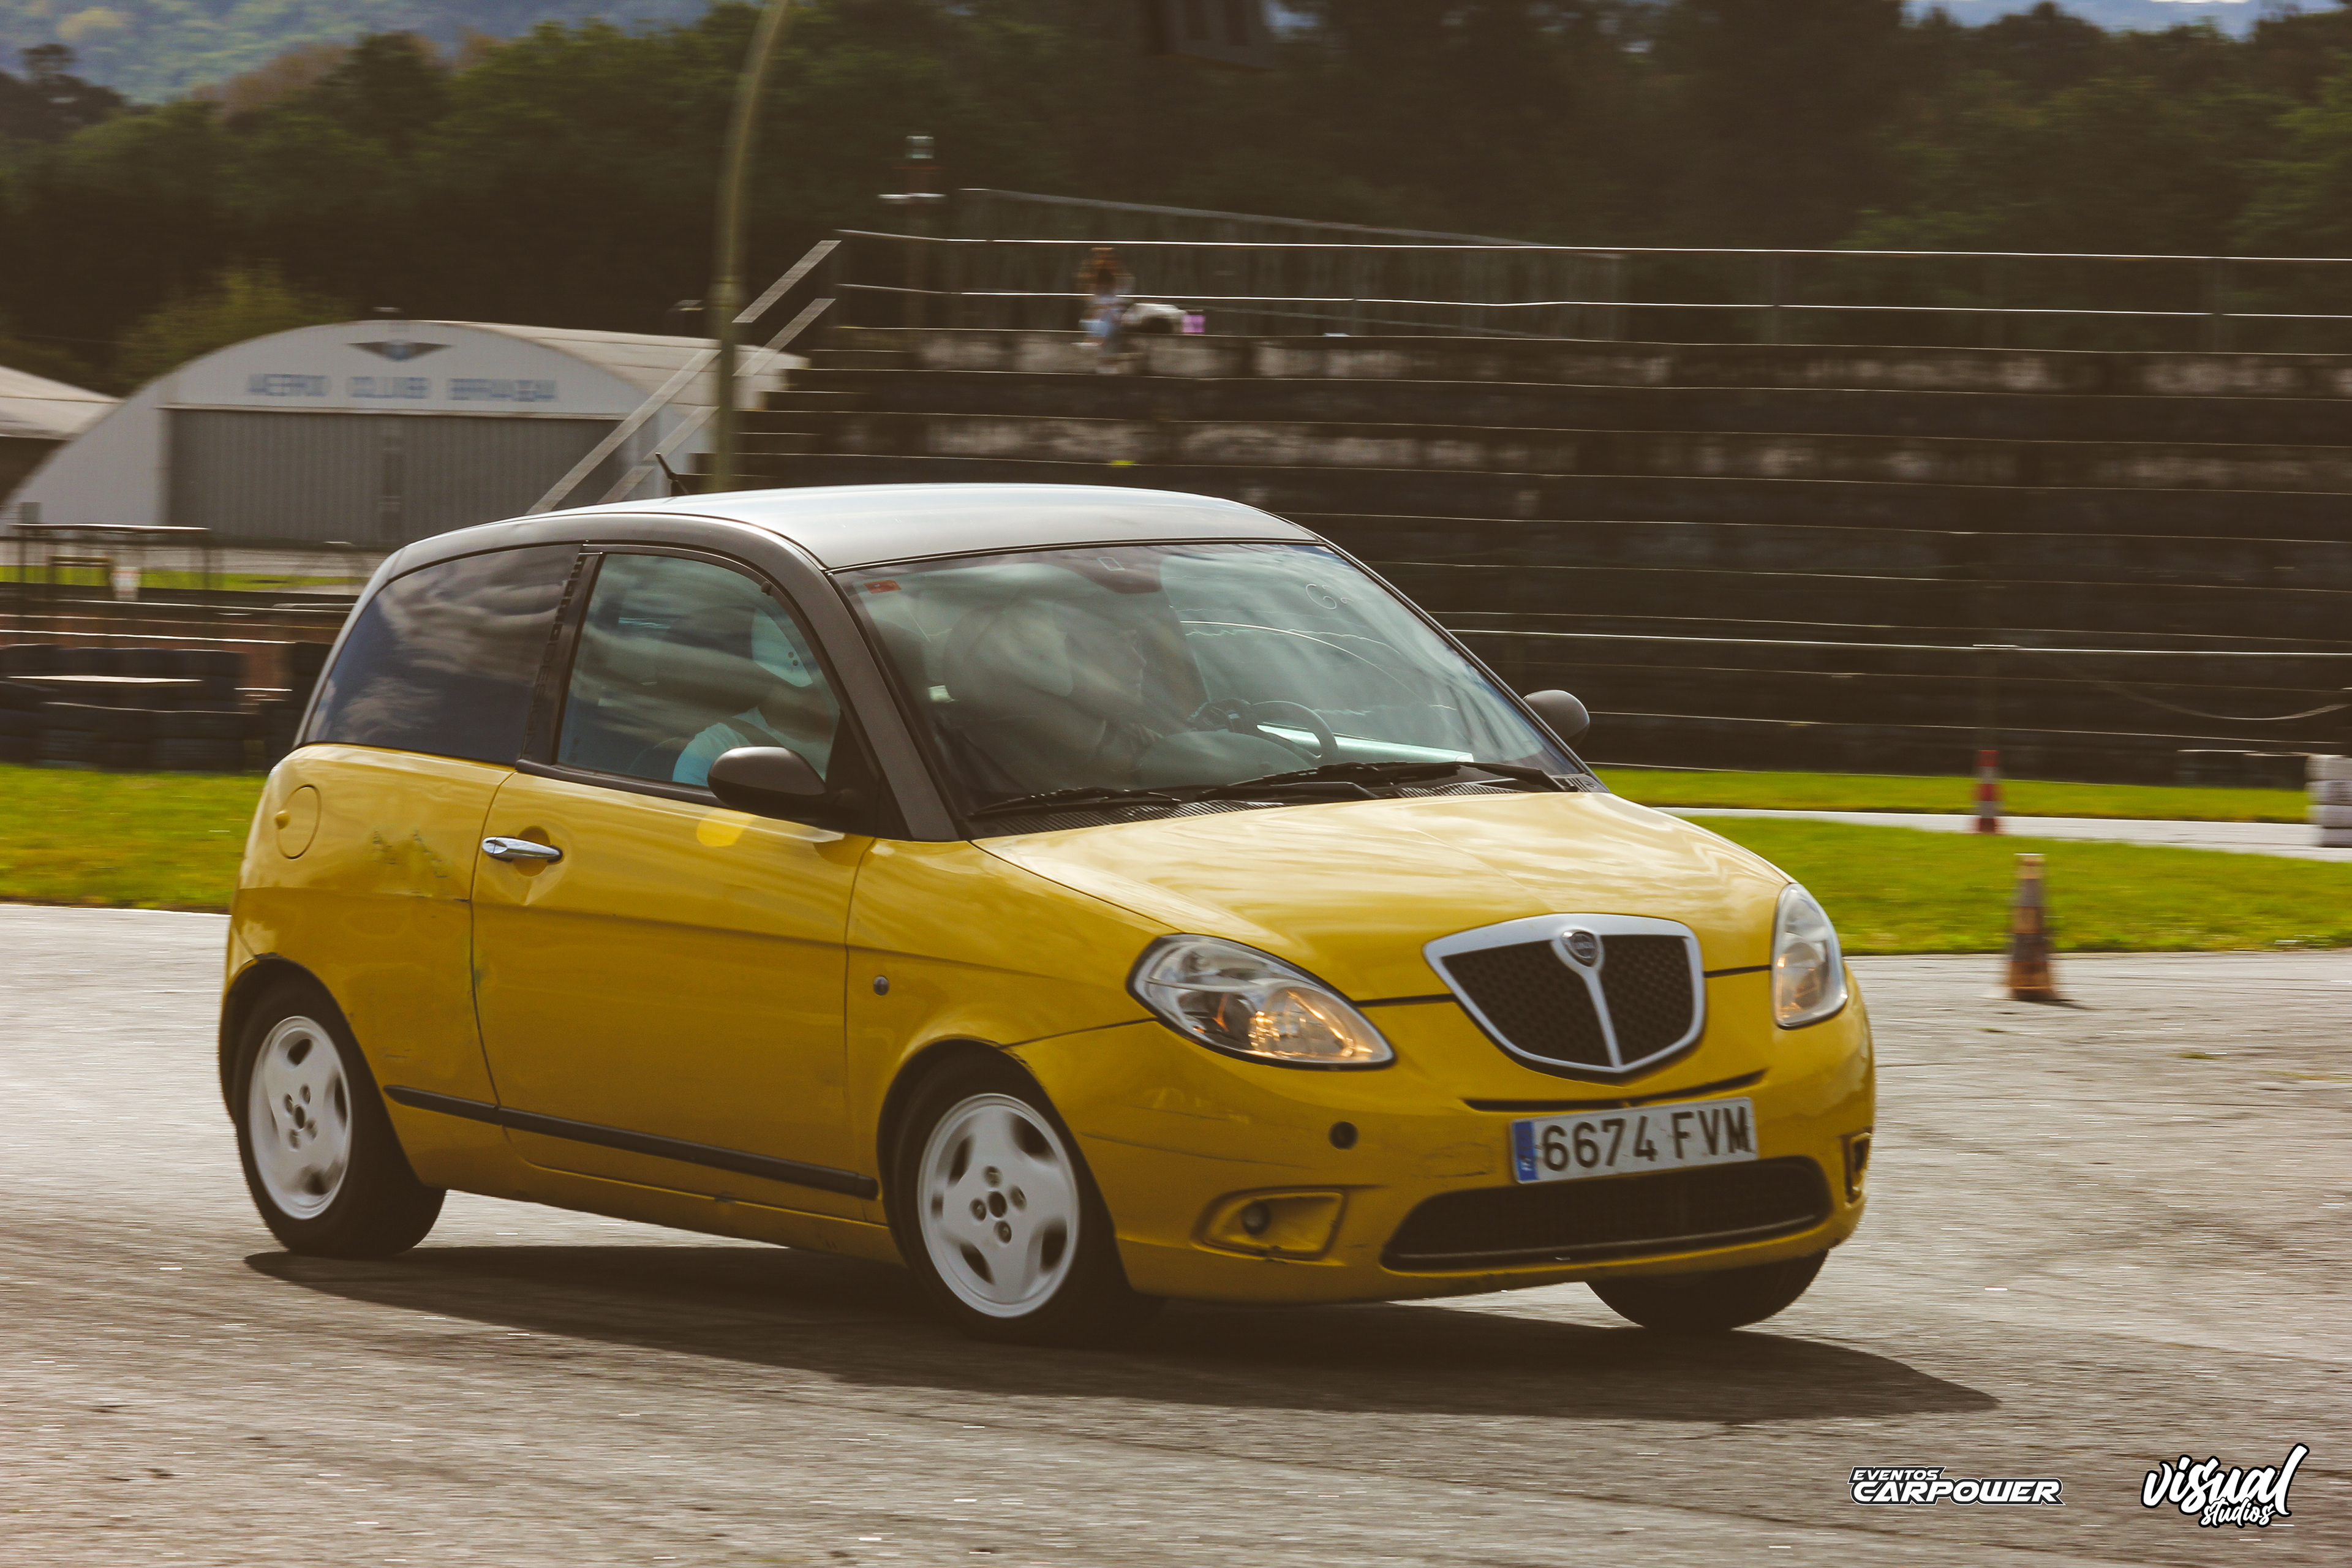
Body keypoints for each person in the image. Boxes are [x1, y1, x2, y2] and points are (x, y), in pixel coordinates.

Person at [1077, 246, 1133, 371]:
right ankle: (1106, 360)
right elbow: (1091, 305)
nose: (1108, 264)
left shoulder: (1125, 280)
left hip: (1117, 316)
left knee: (1110, 320)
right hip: (1098, 317)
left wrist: (1108, 309)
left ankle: (1096, 343)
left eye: (1111, 260)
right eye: (1104, 260)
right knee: (1105, 321)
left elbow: (1122, 303)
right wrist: (1103, 309)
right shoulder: (1093, 282)